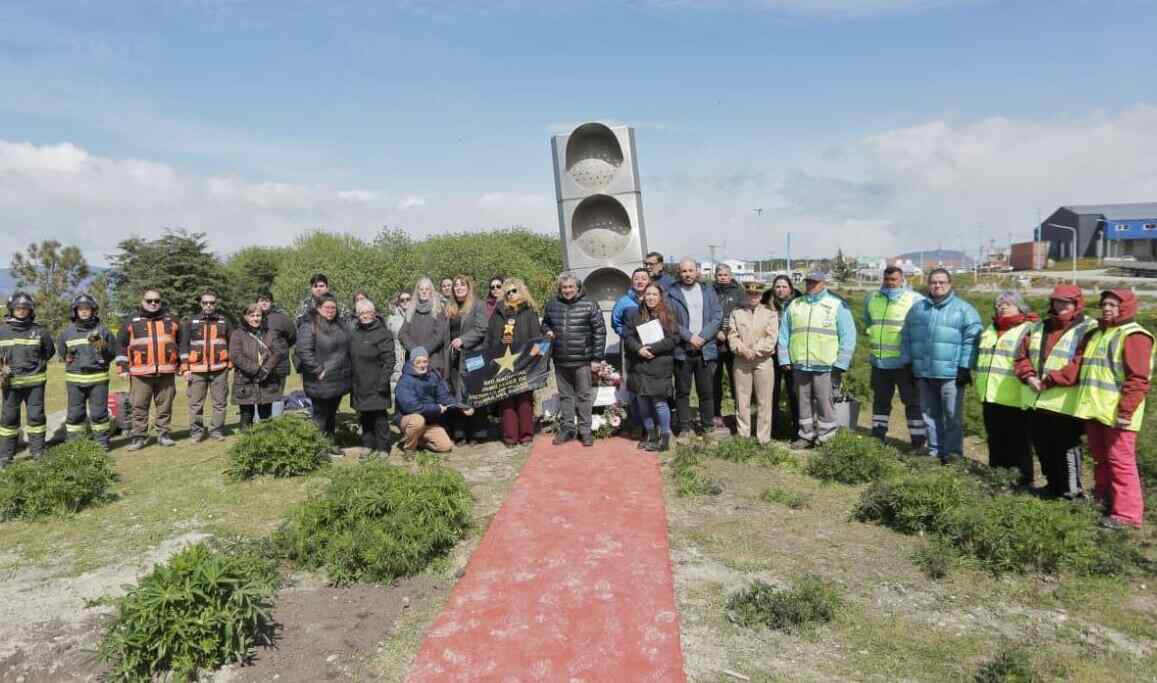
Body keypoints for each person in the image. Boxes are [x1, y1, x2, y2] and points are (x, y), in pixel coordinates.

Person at [1072, 290, 1152, 529]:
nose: (1107, 308)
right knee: (1101, 460)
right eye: (1104, 304)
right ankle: (1104, 500)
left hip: (1119, 414)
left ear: (1125, 307)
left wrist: (1126, 412)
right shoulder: (1099, 333)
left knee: (1120, 463)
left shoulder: (1135, 336)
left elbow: (1138, 379)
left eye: (1113, 305)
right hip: (1096, 410)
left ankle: (1127, 515)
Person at [1013, 284, 1095, 499]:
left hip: (1065, 403)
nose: (1061, 306)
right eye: (1057, 301)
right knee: (1043, 447)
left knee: (1066, 449)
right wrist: (1029, 376)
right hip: (1037, 400)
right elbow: (1021, 357)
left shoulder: (1088, 328)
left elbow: (1080, 364)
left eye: (1066, 302)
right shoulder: (1038, 327)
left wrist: (1049, 381)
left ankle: (1072, 494)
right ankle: (1052, 487)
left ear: (1077, 304)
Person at [900, 268, 981, 463]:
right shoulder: (918, 309)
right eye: (933, 282)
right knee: (929, 415)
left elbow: (972, 340)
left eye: (942, 282)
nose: (937, 285)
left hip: (951, 375)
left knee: (952, 416)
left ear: (950, 284)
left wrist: (964, 367)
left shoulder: (964, 310)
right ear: (928, 284)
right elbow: (906, 336)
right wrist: (908, 362)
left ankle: (952, 455)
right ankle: (935, 452)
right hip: (924, 373)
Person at [777, 272, 856, 448]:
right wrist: (784, 359)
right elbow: (783, 334)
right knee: (803, 402)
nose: (810, 285)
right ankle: (805, 436)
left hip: (826, 366)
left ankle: (826, 438)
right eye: (808, 282)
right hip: (800, 365)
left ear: (823, 283)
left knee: (824, 403)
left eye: (814, 282)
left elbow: (848, 336)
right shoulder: (795, 305)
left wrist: (842, 363)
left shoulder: (836, 305)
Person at [974, 292, 1037, 486]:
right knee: (995, 439)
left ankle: (1022, 480)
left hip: (1015, 397)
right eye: (999, 304)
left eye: (1007, 304)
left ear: (1020, 307)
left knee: (1018, 442)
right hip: (990, 395)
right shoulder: (991, 329)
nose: (1002, 307)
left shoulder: (1028, 329)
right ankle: (997, 475)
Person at [541, 272, 607, 447]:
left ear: (578, 288)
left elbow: (599, 332)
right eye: (564, 287)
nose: (567, 290)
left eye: (571, 287)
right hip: (560, 359)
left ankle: (585, 431)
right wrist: (547, 330)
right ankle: (568, 429)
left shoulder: (590, 304)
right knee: (565, 397)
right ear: (560, 289)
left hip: (583, 360)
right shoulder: (552, 304)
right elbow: (545, 323)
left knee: (584, 396)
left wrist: (597, 358)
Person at [864, 266, 926, 447]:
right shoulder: (872, 298)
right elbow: (868, 322)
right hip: (879, 362)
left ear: (902, 280)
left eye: (894, 279)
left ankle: (918, 442)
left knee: (912, 402)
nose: (890, 283)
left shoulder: (915, 299)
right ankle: (878, 437)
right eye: (887, 279)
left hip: (904, 364)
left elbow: (923, 328)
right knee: (880, 402)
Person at [116, 288, 181, 450]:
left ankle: (163, 434)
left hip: (166, 372)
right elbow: (121, 345)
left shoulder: (172, 320)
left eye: (156, 301)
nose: (153, 303)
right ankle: (139, 437)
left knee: (165, 406)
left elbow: (181, 344)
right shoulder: (131, 321)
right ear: (142, 302)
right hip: (140, 373)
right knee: (139, 407)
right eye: (149, 300)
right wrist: (123, 367)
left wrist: (182, 365)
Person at [666, 258, 723, 436]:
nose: (688, 274)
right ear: (679, 272)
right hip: (682, 350)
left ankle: (707, 426)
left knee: (706, 391)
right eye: (684, 271)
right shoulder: (671, 292)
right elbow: (670, 319)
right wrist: (689, 337)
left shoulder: (708, 290)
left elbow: (717, 316)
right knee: (682, 391)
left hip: (705, 349)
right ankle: (684, 427)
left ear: (697, 271)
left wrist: (703, 337)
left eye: (690, 271)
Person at [487, 277, 543, 446]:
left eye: (514, 290)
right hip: (503, 361)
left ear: (521, 291)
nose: (510, 294)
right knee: (507, 401)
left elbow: (536, 338)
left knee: (524, 399)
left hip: (524, 361)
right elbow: (490, 338)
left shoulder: (529, 311)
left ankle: (526, 434)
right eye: (507, 292)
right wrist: (495, 348)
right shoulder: (498, 312)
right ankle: (510, 436)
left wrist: (533, 359)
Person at [0, 292, 55, 464]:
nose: (21, 311)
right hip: (10, 385)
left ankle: (38, 453)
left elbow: (49, 352)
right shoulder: (2, 331)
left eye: (25, 308)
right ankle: (5, 456)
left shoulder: (40, 331)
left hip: (35, 384)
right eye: (18, 308)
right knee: (9, 419)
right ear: (11, 309)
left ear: (30, 310)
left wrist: (37, 365)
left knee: (36, 417)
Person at [58, 294, 118, 450]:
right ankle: (75, 445)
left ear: (93, 311)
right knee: (75, 414)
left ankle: (102, 444)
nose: (84, 311)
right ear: (75, 311)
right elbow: (63, 354)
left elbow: (112, 353)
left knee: (99, 414)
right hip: (75, 381)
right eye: (80, 309)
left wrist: (102, 346)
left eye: (87, 309)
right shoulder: (67, 333)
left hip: (98, 380)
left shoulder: (103, 331)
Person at [623, 284, 678, 452]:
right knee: (643, 403)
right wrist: (639, 349)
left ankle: (665, 438)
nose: (651, 297)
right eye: (648, 294)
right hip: (639, 364)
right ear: (643, 296)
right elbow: (628, 337)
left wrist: (652, 349)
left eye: (654, 294)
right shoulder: (634, 315)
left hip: (659, 364)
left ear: (660, 297)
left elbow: (672, 340)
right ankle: (651, 435)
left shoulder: (668, 315)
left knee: (659, 403)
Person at [728, 282, 779, 445]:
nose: (753, 297)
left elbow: (771, 338)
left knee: (765, 401)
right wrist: (743, 350)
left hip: (763, 360)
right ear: (746, 294)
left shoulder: (770, 313)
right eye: (750, 294)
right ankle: (743, 435)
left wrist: (755, 351)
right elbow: (732, 336)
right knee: (742, 399)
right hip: (741, 360)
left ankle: (763, 438)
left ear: (761, 295)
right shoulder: (737, 313)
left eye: (756, 294)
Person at [395, 346, 473, 452]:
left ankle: (418, 439)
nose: (422, 365)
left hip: (429, 421)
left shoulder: (433, 376)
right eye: (418, 362)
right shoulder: (405, 381)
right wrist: (437, 408)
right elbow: (411, 407)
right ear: (412, 363)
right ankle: (409, 448)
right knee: (417, 421)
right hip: (409, 418)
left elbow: (444, 398)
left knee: (445, 446)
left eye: (425, 362)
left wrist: (462, 407)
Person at [296, 293, 351, 436]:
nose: (330, 310)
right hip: (319, 380)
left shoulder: (340, 325)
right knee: (320, 417)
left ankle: (330, 442)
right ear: (318, 308)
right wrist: (318, 370)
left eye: (333, 307)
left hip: (338, 379)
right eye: (327, 307)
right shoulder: (309, 325)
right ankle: (318, 444)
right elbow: (303, 351)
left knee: (331, 415)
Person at [181, 291, 232, 442]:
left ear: (216, 304)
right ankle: (196, 433)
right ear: (201, 304)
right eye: (205, 303)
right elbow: (183, 346)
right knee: (195, 404)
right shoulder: (191, 322)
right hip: (197, 370)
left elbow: (233, 343)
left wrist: (230, 363)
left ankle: (216, 431)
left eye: (211, 303)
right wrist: (185, 368)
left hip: (220, 369)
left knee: (220, 403)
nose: (208, 305)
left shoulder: (224, 321)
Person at [447, 274, 491, 444]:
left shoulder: (478, 305)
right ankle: (460, 433)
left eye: (462, 285)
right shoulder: (449, 307)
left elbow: (482, 328)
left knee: (474, 392)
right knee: (457, 393)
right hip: (455, 357)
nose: (459, 288)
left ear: (468, 287)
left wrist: (463, 340)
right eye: (456, 285)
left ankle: (478, 433)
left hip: (474, 355)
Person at [349, 298, 396, 455]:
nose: (365, 315)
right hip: (359, 383)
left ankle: (383, 447)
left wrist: (383, 381)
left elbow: (389, 360)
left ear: (374, 314)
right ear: (357, 315)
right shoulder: (354, 333)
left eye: (368, 312)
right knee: (365, 416)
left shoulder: (383, 333)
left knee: (379, 417)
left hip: (377, 382)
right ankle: (368, 444)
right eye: (362, 313)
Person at [230, 303, 286, 430]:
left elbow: (278, 352)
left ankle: (266, 440)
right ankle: (247, 441)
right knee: (246, 417)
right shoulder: (237, 334)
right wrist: (255, 369)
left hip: (266, 379)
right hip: (245, 380)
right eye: (252, 315)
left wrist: (265, 369)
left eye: (258, 315)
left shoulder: (270, 333)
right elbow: (236, 355)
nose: (255, 318)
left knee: (266, 416)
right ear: (245, 317)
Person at [611, 268, 652, 435]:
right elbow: (616, 322)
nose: (640, 281)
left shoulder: (654, 297)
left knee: (652, 386)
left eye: (644, 278)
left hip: (653, 348)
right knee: (634, 387)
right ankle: (637, 424)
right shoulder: (623, 301)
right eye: (637, 278)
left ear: (649, 281)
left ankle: (654, 424)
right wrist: (626, 335)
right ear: (631, 281)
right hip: (632, 350)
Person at [763, 275, 800, 438]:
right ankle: (773, 427)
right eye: (777, 286)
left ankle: (797, 428)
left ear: (790, 289)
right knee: (772, 392)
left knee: (794, 392)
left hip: (792, 354)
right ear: (773, 289)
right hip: (771, 354)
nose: (781, 290)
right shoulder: (766, 305)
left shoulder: (799, 304)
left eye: (784, 287)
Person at [713, 264, 745, 431]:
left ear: (730, 276)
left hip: (733, 343)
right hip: (715, 343)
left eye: (726, 275)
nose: (723, 277)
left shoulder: (739, 292)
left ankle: (739, 413)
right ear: (715, 276)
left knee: (736, 381)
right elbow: (707, 314)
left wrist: (730, 333)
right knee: (715, 380)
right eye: (720, 275)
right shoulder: (710, 291)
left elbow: (743, 316)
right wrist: (716, 331)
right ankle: (716, 414)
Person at [399, 277, 450, 378]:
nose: (424, 292)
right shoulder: (411, 310)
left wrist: (423, 352)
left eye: (427, 289)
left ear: (431, 291)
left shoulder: (438, 310)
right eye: (421, 289)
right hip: (413, 361)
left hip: (433, 363)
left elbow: (439, 336)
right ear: (417, 291)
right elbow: (402, 334)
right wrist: (415, 351)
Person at [256, 288, 296, 415]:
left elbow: (292, 337)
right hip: (259, 364)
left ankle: (278, 424)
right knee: (260, 396)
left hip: (279, 365)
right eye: (261, 300)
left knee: (277, 396)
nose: (264, 303)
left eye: (267, 300)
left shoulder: (281, 318)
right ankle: (262, 424)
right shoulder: (252, 317)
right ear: (257, 302)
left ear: (272, 302)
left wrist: (280, 349)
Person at [386, 292, 410, 393]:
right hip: (397, 358)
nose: (405, 302)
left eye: (408, 299)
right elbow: (387, 339)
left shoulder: (418, 316)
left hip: (414, 357)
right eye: (402, 300)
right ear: (398, 302)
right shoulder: (391, 318)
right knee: (396, 388)